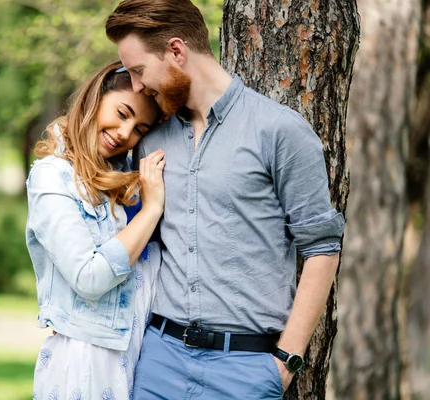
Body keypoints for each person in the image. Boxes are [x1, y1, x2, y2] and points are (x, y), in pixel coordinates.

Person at [105, 1, 346, 399]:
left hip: (245, 371)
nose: (135, 86)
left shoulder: (279, 131)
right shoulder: (150, 140)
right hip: (159, 363)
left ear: (177, 52)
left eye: (138, 70)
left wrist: (287, 361)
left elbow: (322, 248)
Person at [25, 60, 165, 400]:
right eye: (122, 113)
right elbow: (89, 278)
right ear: (94, 98)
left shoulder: (124, 182)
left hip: (136, 356)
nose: (124, 133)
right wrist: (152, 210)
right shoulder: (52, 177)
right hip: (85, 364)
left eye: (139, 130)